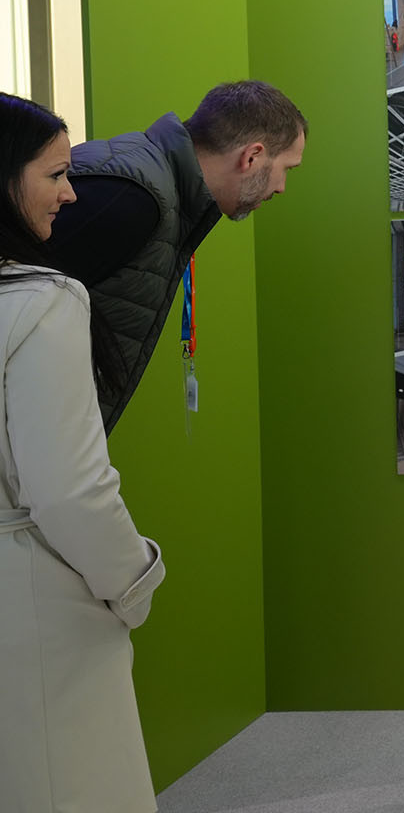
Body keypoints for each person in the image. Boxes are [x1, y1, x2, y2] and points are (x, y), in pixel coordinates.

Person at [0, 93, 166, 811]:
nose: (72, 193)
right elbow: (70, 488)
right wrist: (134, 582)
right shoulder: (43, 302)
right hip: (35, 606)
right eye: (55, 174)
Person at [46, 81, 306, 433]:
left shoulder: (156, 189)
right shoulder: (133, 199)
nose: (281, 187)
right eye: (286, 168)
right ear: (252, 157)